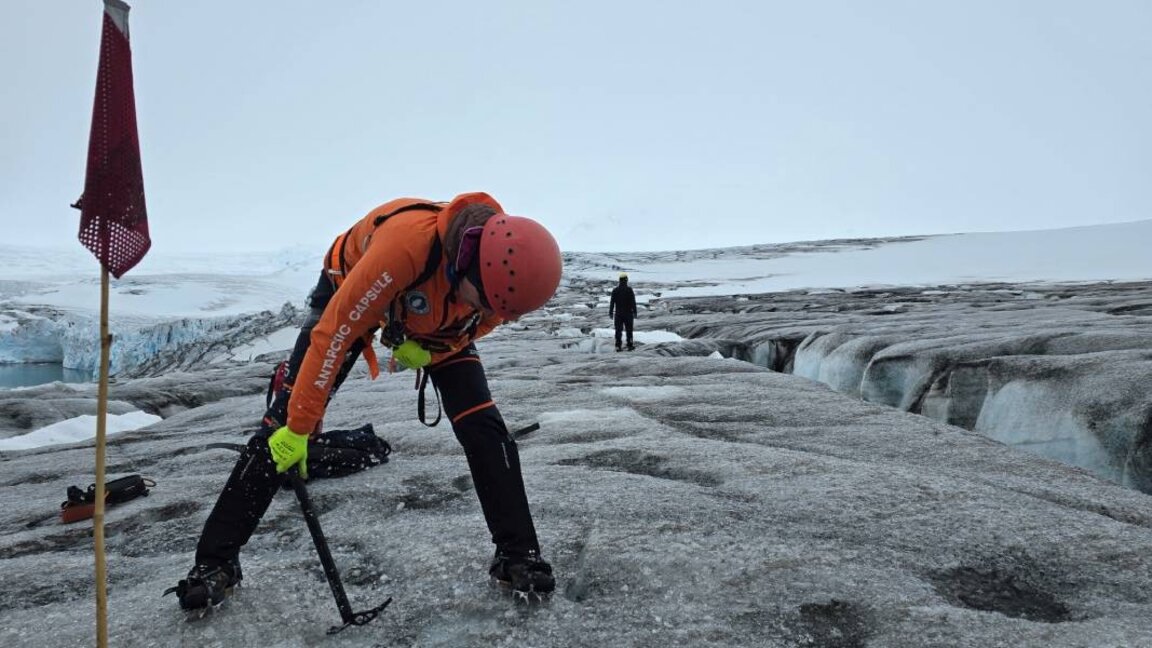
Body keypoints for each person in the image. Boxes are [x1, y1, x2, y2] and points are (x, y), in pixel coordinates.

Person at [166, 192, 563, 610]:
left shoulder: (500, 281)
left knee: (485, 429)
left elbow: (482, 321)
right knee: (281, 427)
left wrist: (434, 347)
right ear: (466, 261)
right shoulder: (405, 248)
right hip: (350, 291)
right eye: (481, 301)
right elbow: (334, 334)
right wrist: (299, 427)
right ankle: (214, 564)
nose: (484, 310)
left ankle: (519, 555)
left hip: (434, 322)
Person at [608, 272, 637, 351]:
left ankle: (618, 346)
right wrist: (635, 312)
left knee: (618, 330)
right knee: (629, 330)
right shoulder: (629, 290)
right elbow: (633, 302)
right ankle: (630, 345)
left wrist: (610, 312)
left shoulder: (615, 290)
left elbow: (612, 302)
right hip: (628, 314)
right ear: (626, 280)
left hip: (618, 314)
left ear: (619, 280)